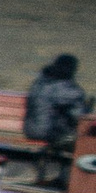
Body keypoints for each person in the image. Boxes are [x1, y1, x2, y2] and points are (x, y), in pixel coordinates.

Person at [26, 53, 86, 184]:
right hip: (49, 134)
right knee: (85, 141)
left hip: (29, 130)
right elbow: (79, 118)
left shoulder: (39, 82)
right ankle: (73, 180)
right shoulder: (68, 89)